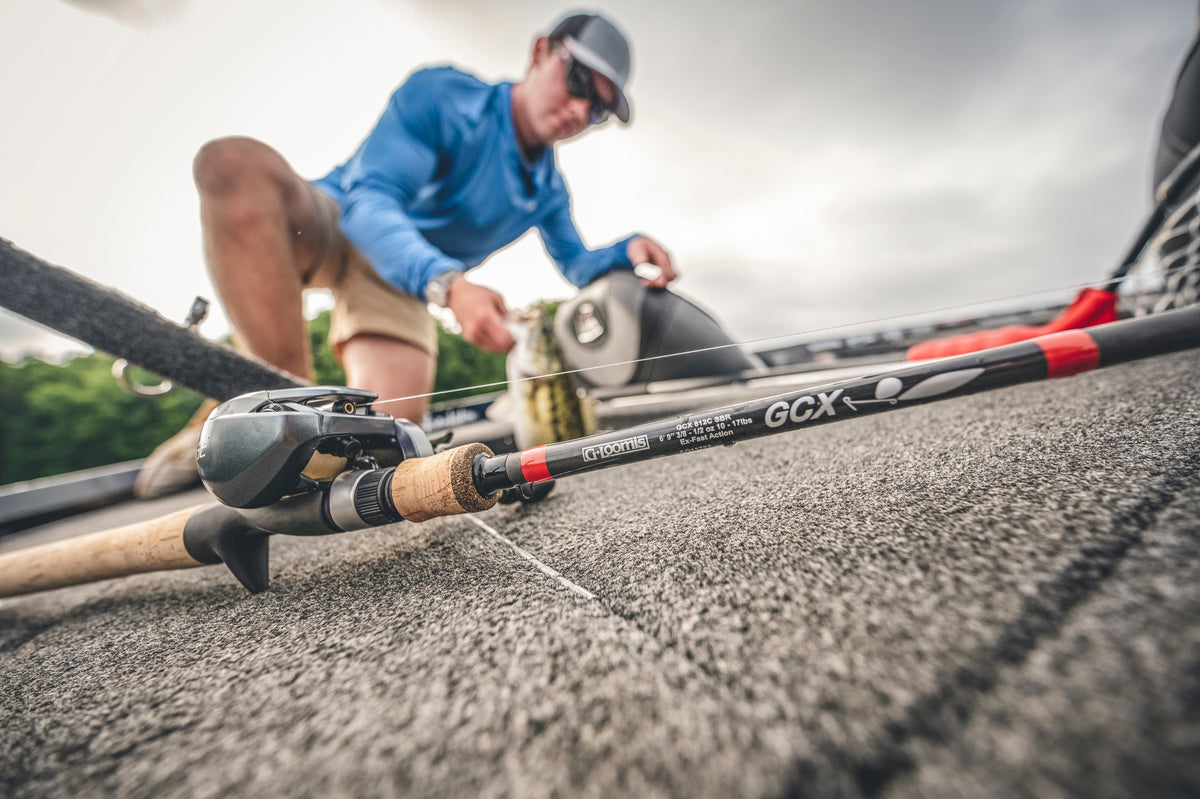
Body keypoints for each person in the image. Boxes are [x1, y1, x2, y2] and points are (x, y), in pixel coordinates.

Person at [135, 10, 676, 497]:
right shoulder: (441, 93)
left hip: (399, 284)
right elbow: (369, 203)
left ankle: (258, 407)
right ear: (539, 51)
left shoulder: (548, 192)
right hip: (340, 222)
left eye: (600, 108)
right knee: (233, 165)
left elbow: (576, 265)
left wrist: (627, 249)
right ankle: (264, 398)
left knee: (383, 441)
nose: (580, 109)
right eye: (579, 80)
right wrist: (449, 286)